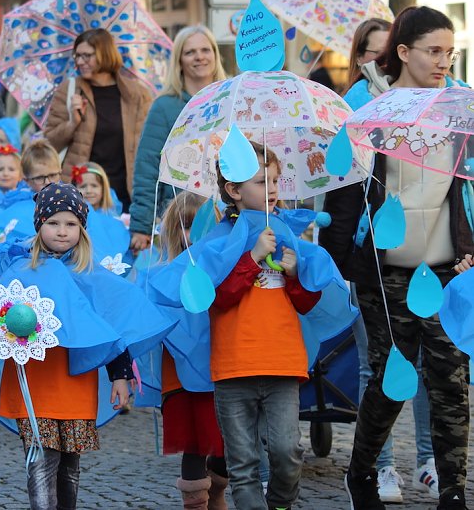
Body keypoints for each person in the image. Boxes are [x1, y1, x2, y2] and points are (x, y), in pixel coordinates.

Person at [0, 181, 177, 510]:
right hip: (36, 383)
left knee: (70, 464)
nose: (62, 231)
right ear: (39, 225)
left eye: (71, 224)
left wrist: (120, 375)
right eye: (54, 223)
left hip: (76, 383)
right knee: (42, 460)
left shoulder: (91, 274)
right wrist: (2, 335)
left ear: (82, 228)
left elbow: (112, 326)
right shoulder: (22, 271)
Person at [321, 6, 471, 510]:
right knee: (390, 379)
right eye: (433, 50)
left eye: (449, 51)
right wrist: (338, 266)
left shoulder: (461, 110)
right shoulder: (367, 108)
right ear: (403, 52)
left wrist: (471, 250)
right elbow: (343, 195)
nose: (443, 61)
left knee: (449, 382)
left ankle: (452, 490)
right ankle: (361, 472)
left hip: (448, 268)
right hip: (385, 270)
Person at [344, 17, 434, 505]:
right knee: (379, 365)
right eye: (374, 52)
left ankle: (429, 462)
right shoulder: (362, 103)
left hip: (429, 249)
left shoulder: (446, 98)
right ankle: (378, 468)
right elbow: (345, 189)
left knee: (431, 362)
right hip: (375, 250)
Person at [210, 142, 321, 509]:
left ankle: (280, 504)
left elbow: (307, 302)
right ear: (234, 191)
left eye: (275, 180)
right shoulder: (219, 240)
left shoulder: (287, 234)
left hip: (282, 363)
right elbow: (216, 297)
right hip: (233, 365)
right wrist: (253, 257)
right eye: (262, 181)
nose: (273, 189)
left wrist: (293, 275)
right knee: (242, 465)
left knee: (288, 453)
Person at [144, 190, 229, 508]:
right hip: (180, 374)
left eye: (205, 225)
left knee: (225, 443)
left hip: (220, 368)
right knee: (195, 443)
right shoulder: (161, 274)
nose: (195, 235)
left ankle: (217, 490)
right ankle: (196, 503)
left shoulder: (223, 268)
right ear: (173, 229)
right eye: (187, 225)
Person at [129, 25, 226, 254]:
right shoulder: (164, 107)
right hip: (181, 219)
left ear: (215, 54)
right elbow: (147, 168)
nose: (199, 57)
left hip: (225, 211)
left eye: (205, 50)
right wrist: (142, 225)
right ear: (179, 60)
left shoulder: (230, 100)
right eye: (190, 52)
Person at [44, 28, 152, 211]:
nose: (80, 62)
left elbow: (148, 145)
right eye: (77, 56)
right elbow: (50, 143)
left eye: (87, 56)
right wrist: (72, 122)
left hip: (124, 192)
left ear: (105, 54)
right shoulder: (68, 90)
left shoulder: (137, 95)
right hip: (81, 191)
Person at [346, 18, 392, 90]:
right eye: (381, 53)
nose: (389, 59)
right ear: (359, 57)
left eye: (393, 52)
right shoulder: (356, 97)